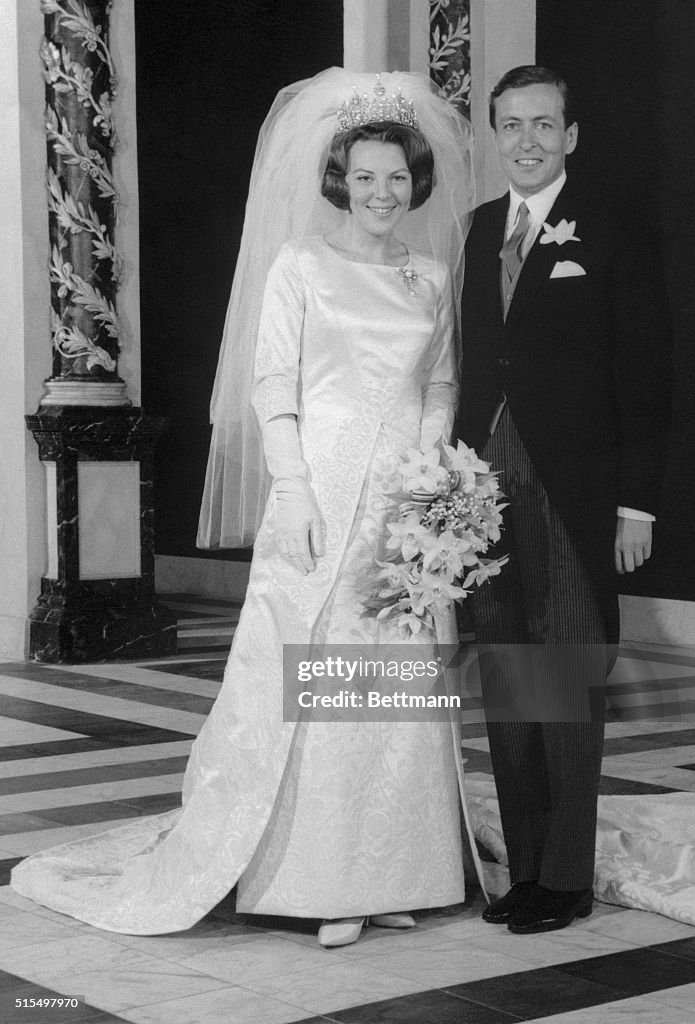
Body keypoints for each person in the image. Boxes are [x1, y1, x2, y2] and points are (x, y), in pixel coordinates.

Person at [12, 69, 482, 948]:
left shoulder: (429, 274)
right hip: (318, 492)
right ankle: (318, 877)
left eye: (397, 178)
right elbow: (274, 383)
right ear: (339, 178)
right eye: (366, 176)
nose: (382, 193)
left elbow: (441, 380)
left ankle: (393, 869)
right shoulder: (300, 264)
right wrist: (297, 486)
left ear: (415, 183)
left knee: (394, 679)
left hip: (404, 500)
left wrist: (430, 479)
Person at [457, 65, 672, 935]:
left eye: (543, 125)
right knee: (508, 674)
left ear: (569, 135)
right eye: (510, 126)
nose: (526, 141)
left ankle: (567, 876)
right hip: (484, 484)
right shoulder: (478, 231)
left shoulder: (615, 227)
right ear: (495, 134)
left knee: (567, 675)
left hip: (576, 491)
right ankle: (526, 863)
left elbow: (649, 375)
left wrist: (637, 505)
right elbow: (478, 363)